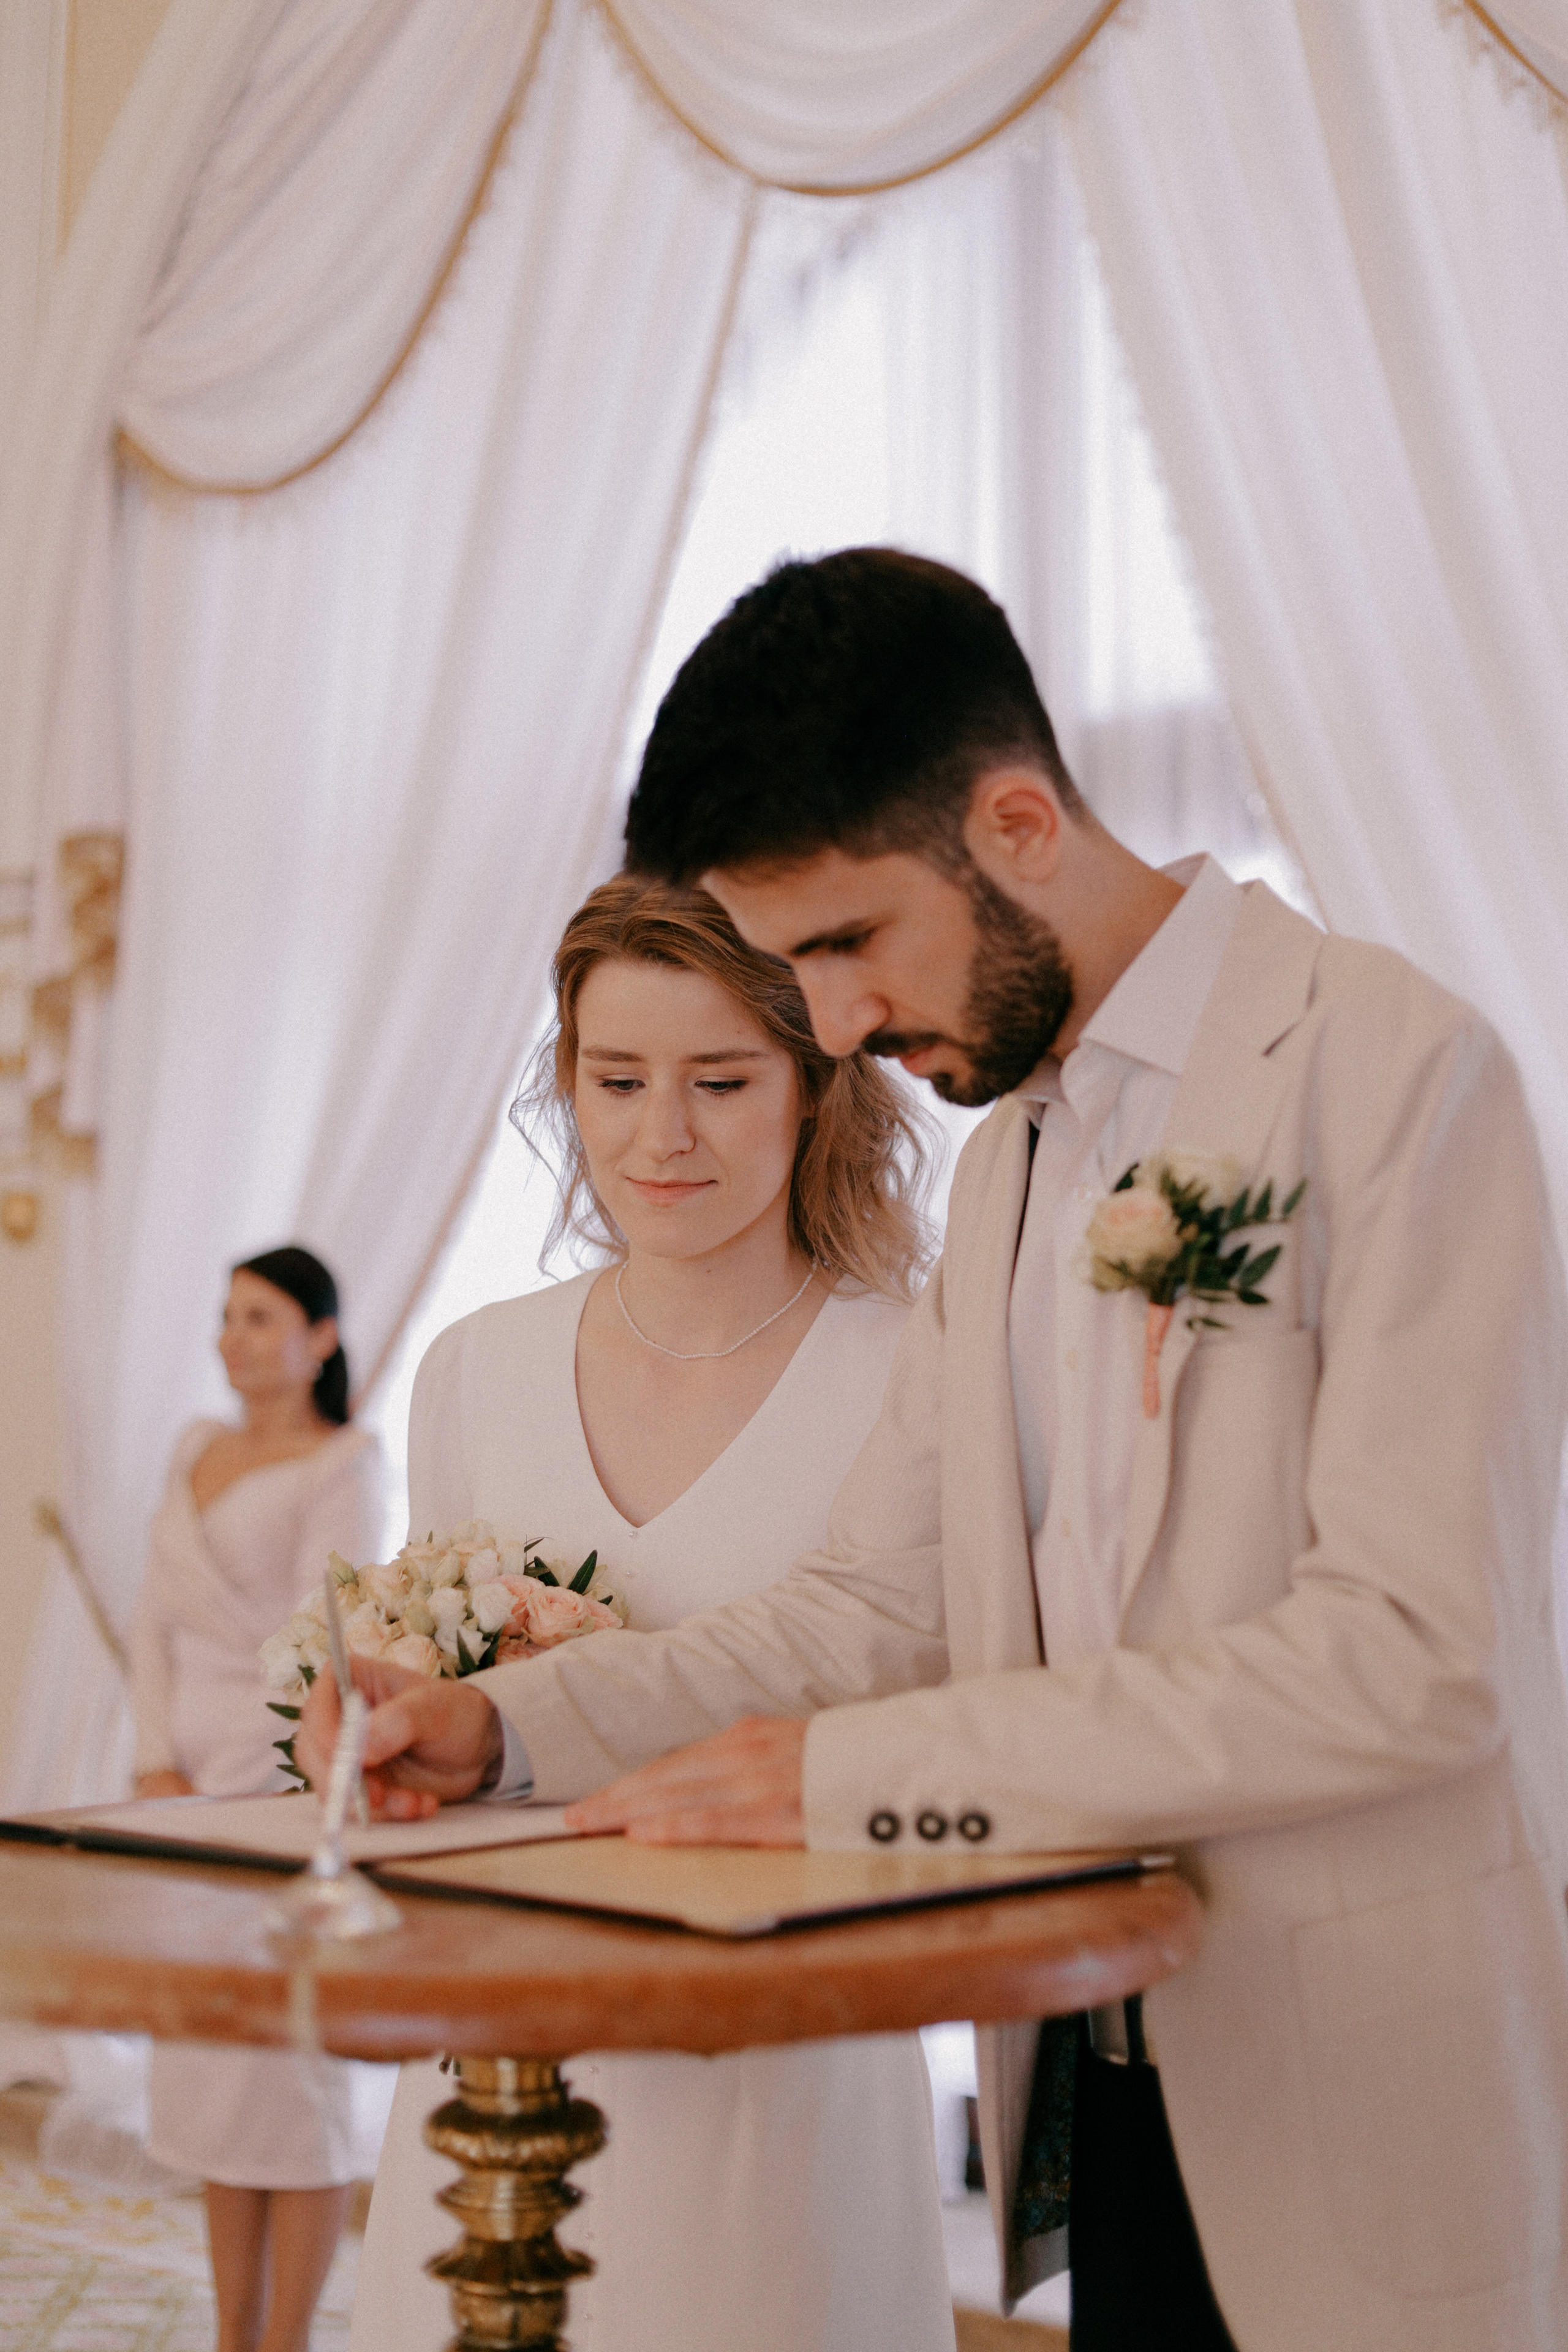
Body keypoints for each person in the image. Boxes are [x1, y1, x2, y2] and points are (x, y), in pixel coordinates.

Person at [301, 551, 1568, 2352]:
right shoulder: (1006, 1172)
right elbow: (867, 1609)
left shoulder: (1397, 1072)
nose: (830, 1027)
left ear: (1021, 821)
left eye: (841, 944)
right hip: (1100, 2070)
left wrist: (842, 1783)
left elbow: (1413, 1660)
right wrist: (509, 1726)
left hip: (1358, 2087)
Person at [345, 875, 955, 2352]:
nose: (659, 1134)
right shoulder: (473, 1370)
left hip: (781, 2054)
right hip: (502, 2048)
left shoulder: (915, 1371)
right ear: (566, 1082)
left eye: (719, 1081)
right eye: (616, 1080)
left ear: (817, 1089)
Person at [132, 1245, 385, 2352]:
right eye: (226, 1316)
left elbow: (316, 1647)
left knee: (290, 2085)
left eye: (261, 1317)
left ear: (320, 1338)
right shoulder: (197, 1448)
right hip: (172, 1796)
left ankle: (284, 2341)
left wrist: (246, 1787)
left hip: (279, 1793)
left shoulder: (348, 1460)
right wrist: (152, 1761)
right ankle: (234, 2335)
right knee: (210, 2081)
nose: (232, 1338)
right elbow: (152, 1621)